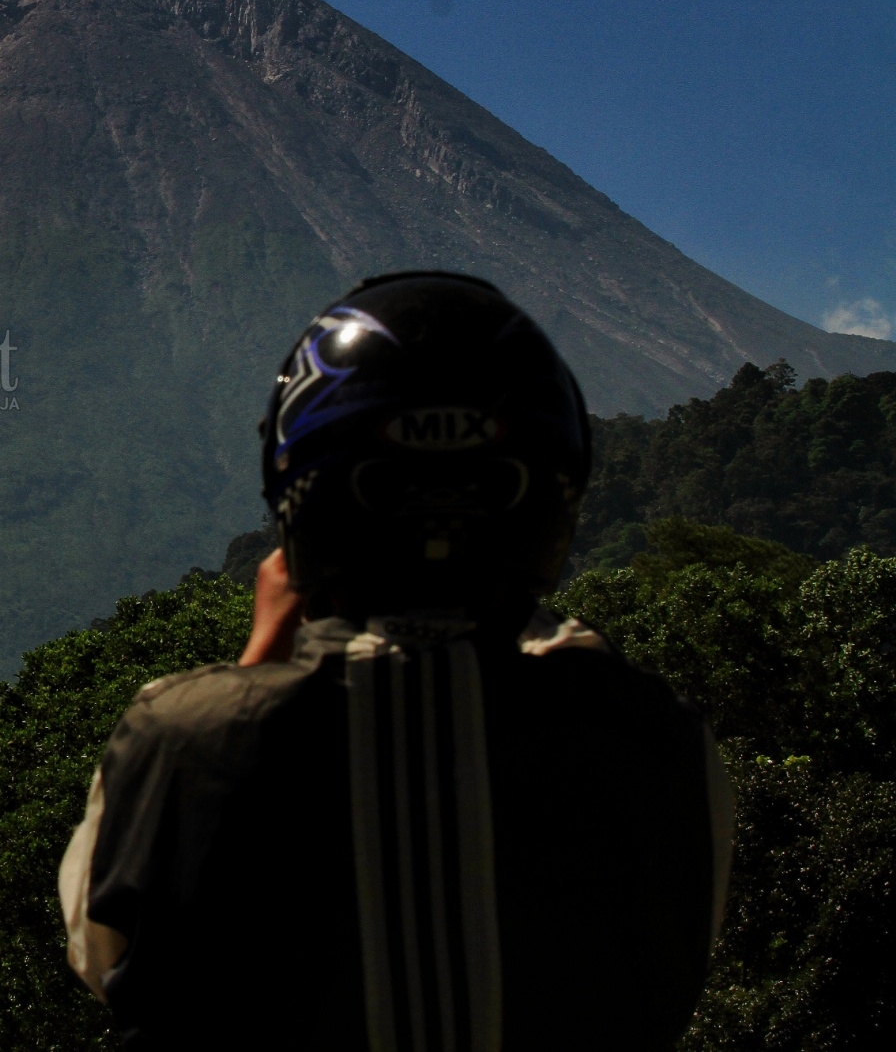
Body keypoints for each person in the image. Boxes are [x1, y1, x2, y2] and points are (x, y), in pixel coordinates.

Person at [59, 272, 735, 1052]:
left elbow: (102, 953)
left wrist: (260, 658)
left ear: (302, 503)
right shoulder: (662, 743)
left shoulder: (178, 738)